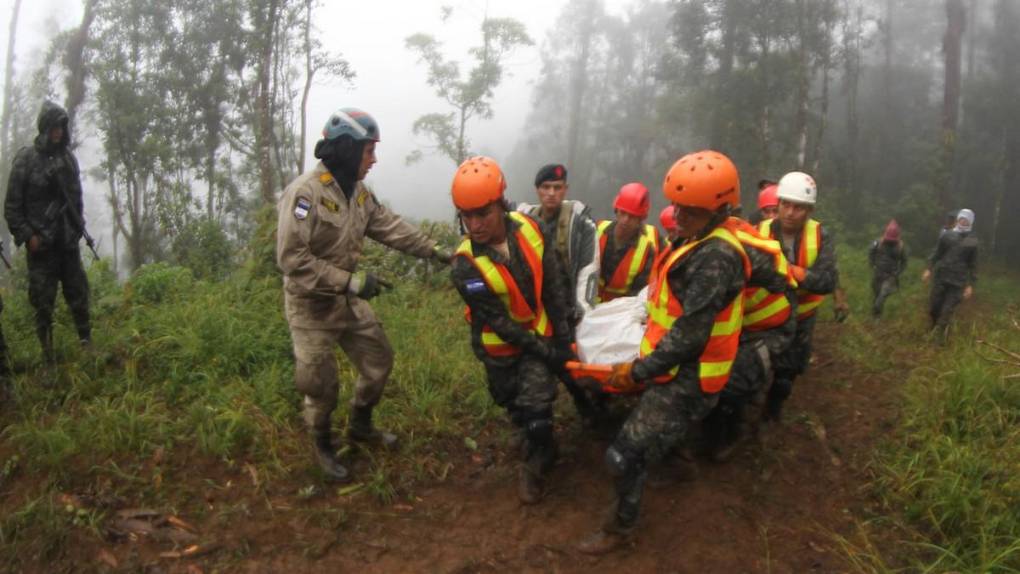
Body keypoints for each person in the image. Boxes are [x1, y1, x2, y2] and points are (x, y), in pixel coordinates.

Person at [578, 150, 749, 554]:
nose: (679, 215)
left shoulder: (716, 257)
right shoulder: (694, 238)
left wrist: (635, 371)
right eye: (676, 205)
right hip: (677, 366)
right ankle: (678, 461)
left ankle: (619, 530)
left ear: (720, 209)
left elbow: (689, 335)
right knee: (659, 431)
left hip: (694, 374)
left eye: (691, 210)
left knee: (623, 453)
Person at [276, 108, 452, 482]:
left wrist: (435, 250)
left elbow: (389, 226)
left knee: (378, 359)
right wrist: (352, 283)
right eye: (369, 150)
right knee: (320, 385)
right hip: (311, 307)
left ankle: (360, 424)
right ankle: (323, 445)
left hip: (345, 301)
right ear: (346, 149)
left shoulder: (358, 195)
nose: (374, 159)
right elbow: (293, 260)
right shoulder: (305, 195)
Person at [449, 156, 574, 504]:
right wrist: (545, 350)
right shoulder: (464, 265)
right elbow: (499, 322)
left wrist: (562, 337)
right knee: (509, 401)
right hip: (500, 348)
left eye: (482, 214)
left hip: (541, 336)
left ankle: (540, 458)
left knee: (537, 410)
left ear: (501, 206)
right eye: (466, 216)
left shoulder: (531, 228)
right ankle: (530, 431)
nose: (474, 225)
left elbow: (552, 281)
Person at [702, 216, 797, 461]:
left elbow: (783, 280)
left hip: (769, 330)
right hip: (738, 327)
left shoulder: (737, 247)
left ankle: (733, 430)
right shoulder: (693, 240)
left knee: (733, 381)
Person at [5, 101, 92, 362]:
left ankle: (86, 344)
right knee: (43, 303)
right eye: (54, 127)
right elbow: (12, 207)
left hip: (66, 242)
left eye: (62, 127)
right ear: (45, 128)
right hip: (41, 246)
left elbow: (77, 199)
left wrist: (77, 230)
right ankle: (48, 356)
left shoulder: (68, 159)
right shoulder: (26, 160)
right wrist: (27, 236)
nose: (58, 132)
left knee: (78, 293)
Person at [516, 164, 601, 424]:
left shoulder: (581, 226)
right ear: (537, 190)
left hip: (568, 309)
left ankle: (590, 405)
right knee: (539, 366)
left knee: (575, 364)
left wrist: (581, 311)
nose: (551, 193)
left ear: (565, 189)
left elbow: (588, 269)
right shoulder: (524, 223)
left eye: (557, 188)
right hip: (538, 312)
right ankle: (539, 420)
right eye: (545, 187)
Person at [756, 171, 839, 422]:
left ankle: (772, 414)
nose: (790, 212)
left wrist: (799, 274)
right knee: (752, 367)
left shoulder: (821, 236)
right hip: (763, 315)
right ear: (778, 204)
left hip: (802, 317)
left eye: (799, 208)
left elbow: (828, 280)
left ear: (809, 210)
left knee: (786, 375)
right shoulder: (757, 231)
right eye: (786, 205)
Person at [595, 183, 661, 303]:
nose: (625, 220)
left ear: (641, 219)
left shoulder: (646, 251)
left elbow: (638, 294)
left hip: (619, 312)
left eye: (632, 216)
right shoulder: (597, 230)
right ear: (616, 210)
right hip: (588, 304)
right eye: (623, 213)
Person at [923, 209, 978, 341]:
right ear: (958, 219)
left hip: (958, 282)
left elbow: (973, 264)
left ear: (970, 222)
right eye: (961, 218)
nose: (963, 221)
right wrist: (928, 269)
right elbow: (937, 253)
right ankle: (933, 328)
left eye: (966, 220)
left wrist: (970, 285)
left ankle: (938, 340)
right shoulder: (947, 235)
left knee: (946, 311)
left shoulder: (972, 240)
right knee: (934, 307)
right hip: (941, 277)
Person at [868, 219, 908, 317]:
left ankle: (876, 311)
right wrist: (872, 264)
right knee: (877, 296)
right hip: (878, 273)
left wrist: (897, 273)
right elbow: (871, 252)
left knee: (882, 295)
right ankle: (876, 318)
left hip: (890, 276)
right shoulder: (878, 242)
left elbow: (904, 262)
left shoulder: (900, 247)